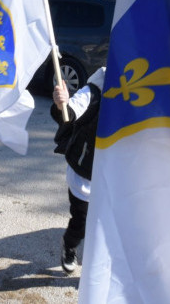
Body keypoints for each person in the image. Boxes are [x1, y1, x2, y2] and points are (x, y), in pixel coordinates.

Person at [51, 67, 104, 274]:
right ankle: (70, 245)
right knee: (81, 221)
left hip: (118, 173)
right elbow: (71, 111)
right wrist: (62, 104)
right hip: (85, 171)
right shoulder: (98, 86)